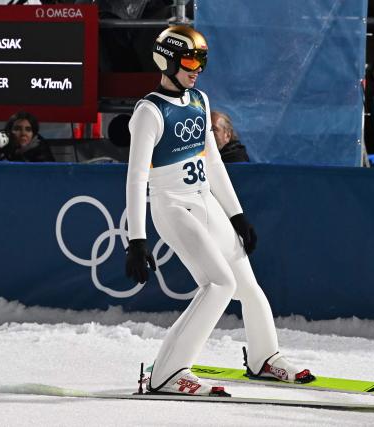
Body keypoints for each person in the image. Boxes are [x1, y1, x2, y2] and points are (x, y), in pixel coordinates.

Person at [125, 25, 314, 396]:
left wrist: (236, 214)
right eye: (190, 60)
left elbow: (212, 163)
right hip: (173, 205)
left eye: (202, 61)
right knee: (219, 284)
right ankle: (167, 373)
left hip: (205, 200)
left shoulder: (200, 100)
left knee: (247, 285)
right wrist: (136, 239)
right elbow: (135, 180)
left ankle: (264, 357)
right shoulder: (149, 111)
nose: (197, 68)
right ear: (167, 59)